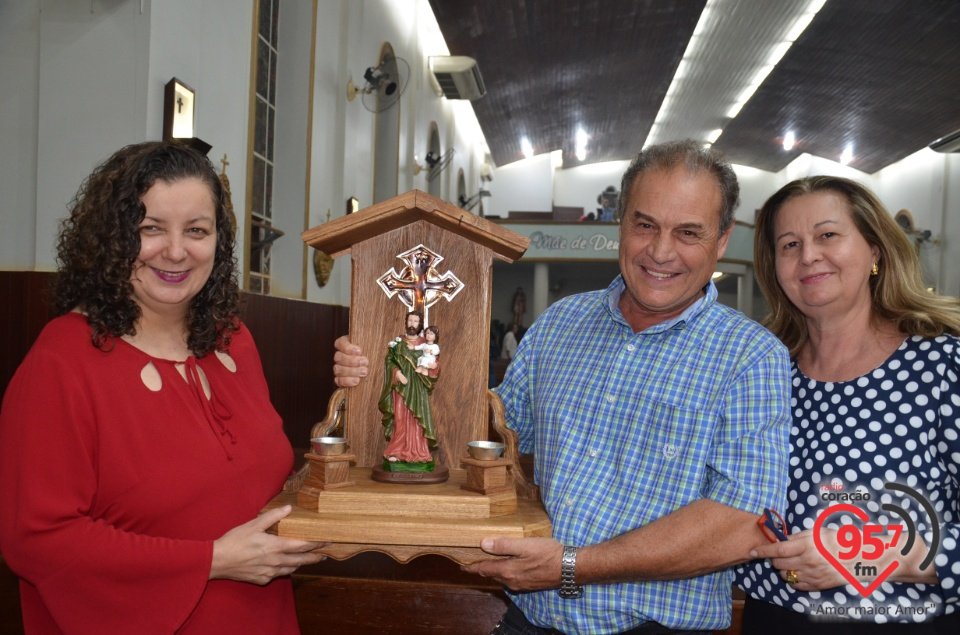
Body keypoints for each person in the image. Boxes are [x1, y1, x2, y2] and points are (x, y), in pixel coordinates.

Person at [332, 140, 793, 634]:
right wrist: (389, 373)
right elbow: (481, 440)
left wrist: (573, 564)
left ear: (722, 242)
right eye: (645, 225)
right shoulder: (561, 324)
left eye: (688, 233)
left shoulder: (751, 357)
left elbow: (739, 523)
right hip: (531, 619)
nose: (661, 251)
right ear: (620, 224)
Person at [0, 141, 325, 634]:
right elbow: (37, 539)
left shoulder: (232, 341)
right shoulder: (62, 362)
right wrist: (212, 560)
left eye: (197, 230)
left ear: (219, 240)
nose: (176, 251)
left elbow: (265, 478)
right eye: (150, 229)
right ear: (112, 238)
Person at [737, 176, 960, 632]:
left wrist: (866, 554)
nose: (808, 256)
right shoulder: (762, 374)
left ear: (875, 251)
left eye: (828, 235)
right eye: (789, 244)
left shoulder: (942, 367)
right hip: (770, 619)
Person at [380, 311, 439, 466]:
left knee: (417, 419)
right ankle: (396, 450)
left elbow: (434, 361)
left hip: (418, 386)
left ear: (420, 325)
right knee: (400, 418)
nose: (412, 324)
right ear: (406, 322)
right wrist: (397, 373)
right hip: (401, 386)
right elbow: (389, 361)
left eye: (415, 321)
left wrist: (433, 367)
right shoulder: (398, 344)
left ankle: (420, 452)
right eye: (410, 321)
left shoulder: (424, 344)